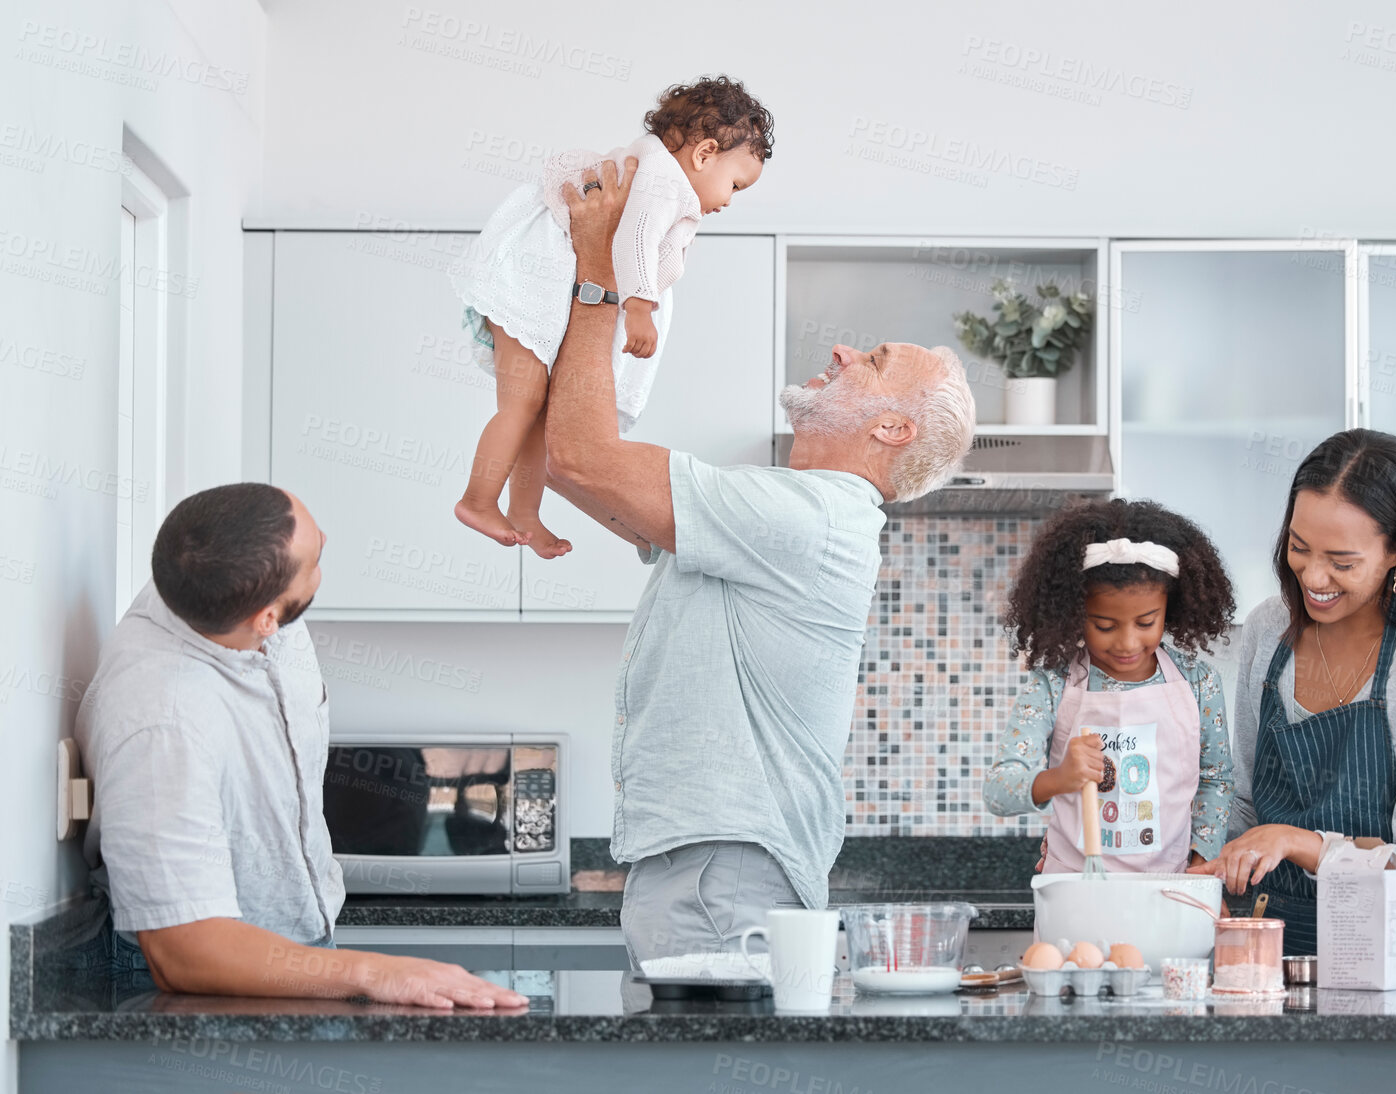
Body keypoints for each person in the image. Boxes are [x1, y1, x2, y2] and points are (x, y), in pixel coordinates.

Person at [532, 158, 976, 971]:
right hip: (712, 866)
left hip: (722, 870)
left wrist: (602, 274)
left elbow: (581, 460)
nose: (841, 350)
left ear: (890, 430)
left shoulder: (808, 519)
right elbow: (576, 465)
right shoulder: (778, 512)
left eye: (871, 360)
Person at [74, 483, 526, 1009]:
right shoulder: (162, 726)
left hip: (299, 946)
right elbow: (184, 951)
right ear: (265, 617)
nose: (326, 541)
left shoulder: (233, 592)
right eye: (316, 558)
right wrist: (374, 970)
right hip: (207, 978)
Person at [1191, 430, 1396, 955]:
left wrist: (1298, 842)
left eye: (1342, 562)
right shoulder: (1270, 628)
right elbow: (1242, 802)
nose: (1313, 575)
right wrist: (1188, 864)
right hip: (1276, 949)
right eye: (1299, 548)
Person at [453, 75, 774, 557]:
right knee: (522, 404)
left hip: (532, 277)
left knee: (538, 412)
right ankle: (477, 501)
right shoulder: (663, 183)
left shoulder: (660, 177)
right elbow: (633, 241)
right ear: (704, 154)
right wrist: (639, 308)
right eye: (734, 184)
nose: (728, 200)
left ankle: (523, 512)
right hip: (525, 276)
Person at [985, 499, 1239, 874]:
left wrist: (1201, 868)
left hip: (1169, 892)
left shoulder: (1198, 682)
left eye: (1146, 622)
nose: (1126, 643)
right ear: (1074, 613)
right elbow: (998, 792)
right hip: (1074, 895)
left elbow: (1216, 780)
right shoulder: (1053, 685)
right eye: (1104, 626)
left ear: (1171, 608)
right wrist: (1059, 778)